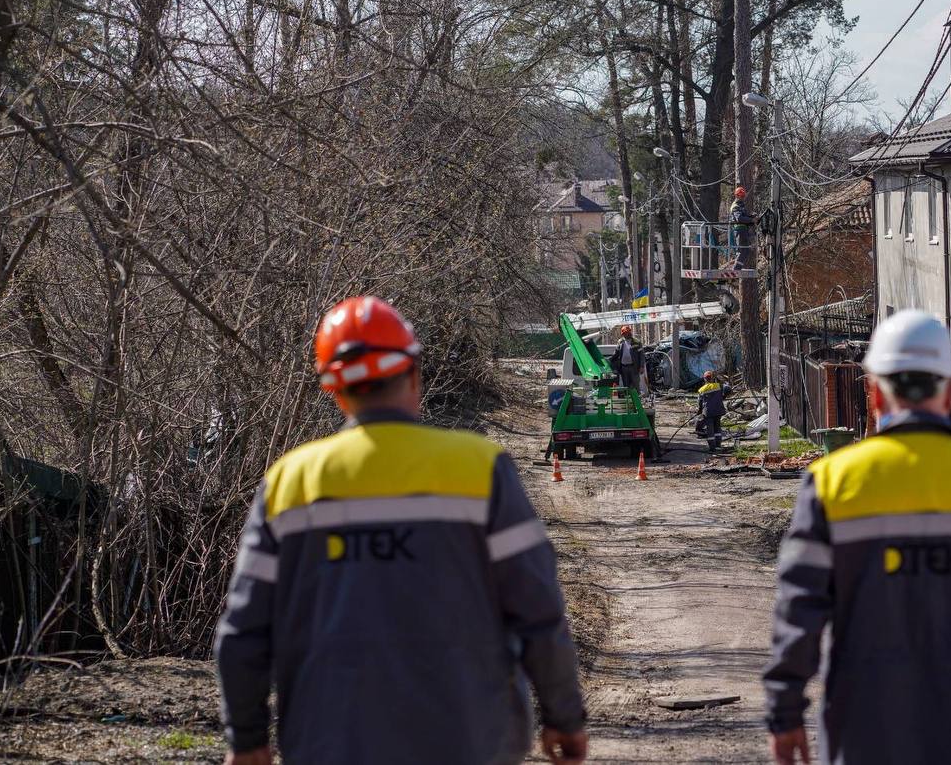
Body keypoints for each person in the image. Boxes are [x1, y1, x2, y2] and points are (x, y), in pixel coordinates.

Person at [215, 295, 588, 765]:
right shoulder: (479, 467)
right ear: (413, 373)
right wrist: (564, 716)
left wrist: (246, 739)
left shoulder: (291, 481)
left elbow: (243, 631)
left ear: (333, 388)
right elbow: (538, 608)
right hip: (470, 737)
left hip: (328, 739)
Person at [762, 309, 951, 765]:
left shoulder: (832, 483)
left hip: (863, 731)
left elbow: (799, 608)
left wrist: (784, 711)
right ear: (949, 393)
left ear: (873, 394)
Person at [697, 370, 728, 452]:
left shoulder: (701, 390)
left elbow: (700, 403)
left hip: (708, 412)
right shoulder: (718, 386)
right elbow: (728, 388)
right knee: (717, 428)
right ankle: (718, 445)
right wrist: (723, 397)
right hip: (718, 410)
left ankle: (712, 448)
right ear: (712, 378)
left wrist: (700, 411)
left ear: (705, 379)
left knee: (710, 430)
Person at [726, 186, 754, 269]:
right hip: (740, 230)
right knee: (743, 250)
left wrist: (751, 217)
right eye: (741, 196)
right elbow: (739, 218)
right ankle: (736, 268)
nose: (742, 198)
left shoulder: (740, 205)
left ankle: (737, 268)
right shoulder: (735, 206)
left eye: (743, 196)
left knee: (744, 250)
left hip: (743, 230)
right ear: (736, 196)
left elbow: (744, 216)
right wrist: (751, 220)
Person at [610, 325, 643, 390]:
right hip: (624, 368)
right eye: (625, 333)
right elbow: (616, 353)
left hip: (634, 367)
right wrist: (609, 360)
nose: (627, 334)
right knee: (626, 386)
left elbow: (641, 355)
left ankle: (637, 398)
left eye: (628, 332)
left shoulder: (637, 342)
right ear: (623, 334)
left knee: (635, 385)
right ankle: (629, 399)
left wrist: (641, 366)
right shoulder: (620, 342)